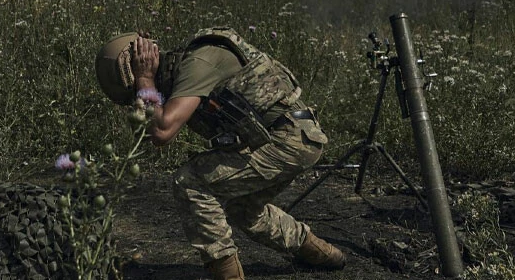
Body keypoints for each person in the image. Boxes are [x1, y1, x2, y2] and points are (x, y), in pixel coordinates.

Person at [95, 27, 346, 280]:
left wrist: (145, 79)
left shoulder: (197, 63)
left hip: (290, 138)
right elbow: (149, 133)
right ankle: (326, 255)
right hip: (287, 139)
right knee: (244, 211)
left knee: (191, 181)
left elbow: (162, 131)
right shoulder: (183, 74)